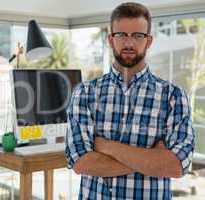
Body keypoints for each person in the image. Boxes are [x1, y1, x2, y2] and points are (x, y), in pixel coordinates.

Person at [65, 2, 195, 199]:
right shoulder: (84, 93)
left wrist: (106, 146)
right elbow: (81, 163)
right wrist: (151, 158)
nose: (129, 43)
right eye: (121, 35)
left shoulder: (173, 96)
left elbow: (176, 165)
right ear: (110, 39)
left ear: (148, 41)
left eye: (137, 35)